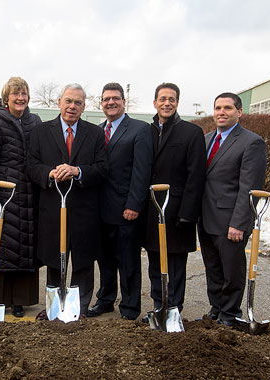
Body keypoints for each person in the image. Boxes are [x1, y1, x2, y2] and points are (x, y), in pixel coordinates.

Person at [27, 83, 107, 318]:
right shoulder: (40, 132)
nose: (72, 106)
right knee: (54, 259)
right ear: (59, 102)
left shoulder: (95, 133)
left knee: (83, 260)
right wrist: (49, 174)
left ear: (84, 107)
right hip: (52, 206)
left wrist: (77, 171)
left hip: (84, 209)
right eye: (69, 101)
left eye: (78, 103)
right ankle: (54, 306)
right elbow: (31, 165)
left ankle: (78, 308)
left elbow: (102, 169)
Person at [198, 92, 267, 326]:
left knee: (232, 271)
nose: (221, 112)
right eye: (218, 108)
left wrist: (238, 223)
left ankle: (230, 313)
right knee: (213, 269)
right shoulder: (206, 139)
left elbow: (250, 187)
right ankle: (216, 309)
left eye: (227, 108)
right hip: (206, 217)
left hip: (230, 220)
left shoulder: (251, 142)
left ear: (239, 112)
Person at [87, 83, 152, 320]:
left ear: (124, 101)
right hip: (100, 210)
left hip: (126, 210)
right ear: (101, 103)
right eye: (106, 99)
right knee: (104, 260)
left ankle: (130, 307)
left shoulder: (139, 129)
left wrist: (134, 205)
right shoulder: (97, 130)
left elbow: (141, 171)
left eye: (115, 98)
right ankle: (105, 299)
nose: (110, 102)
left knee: (128, 262)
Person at [142, 83, 206, 320]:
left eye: (172, 99)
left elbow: (196, 175)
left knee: (176, 262)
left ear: (177, 103)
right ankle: (159, 304)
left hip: (178, 210)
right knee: (154, 260)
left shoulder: (191, 132)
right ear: (155, 103)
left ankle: (173, 308)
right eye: (162, 99)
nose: (167, 103)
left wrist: (188, 213)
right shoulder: (147, 131)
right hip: (153, 208)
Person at [0, 77, 42, 318]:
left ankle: (20, 301)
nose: (21, 98)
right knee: (4, 248)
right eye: (16, 94)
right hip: (5, 195)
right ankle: (1, 299)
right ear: (6, 97)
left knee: (25, 249)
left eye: (24, 93)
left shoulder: (34, 121)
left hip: (29, 196)